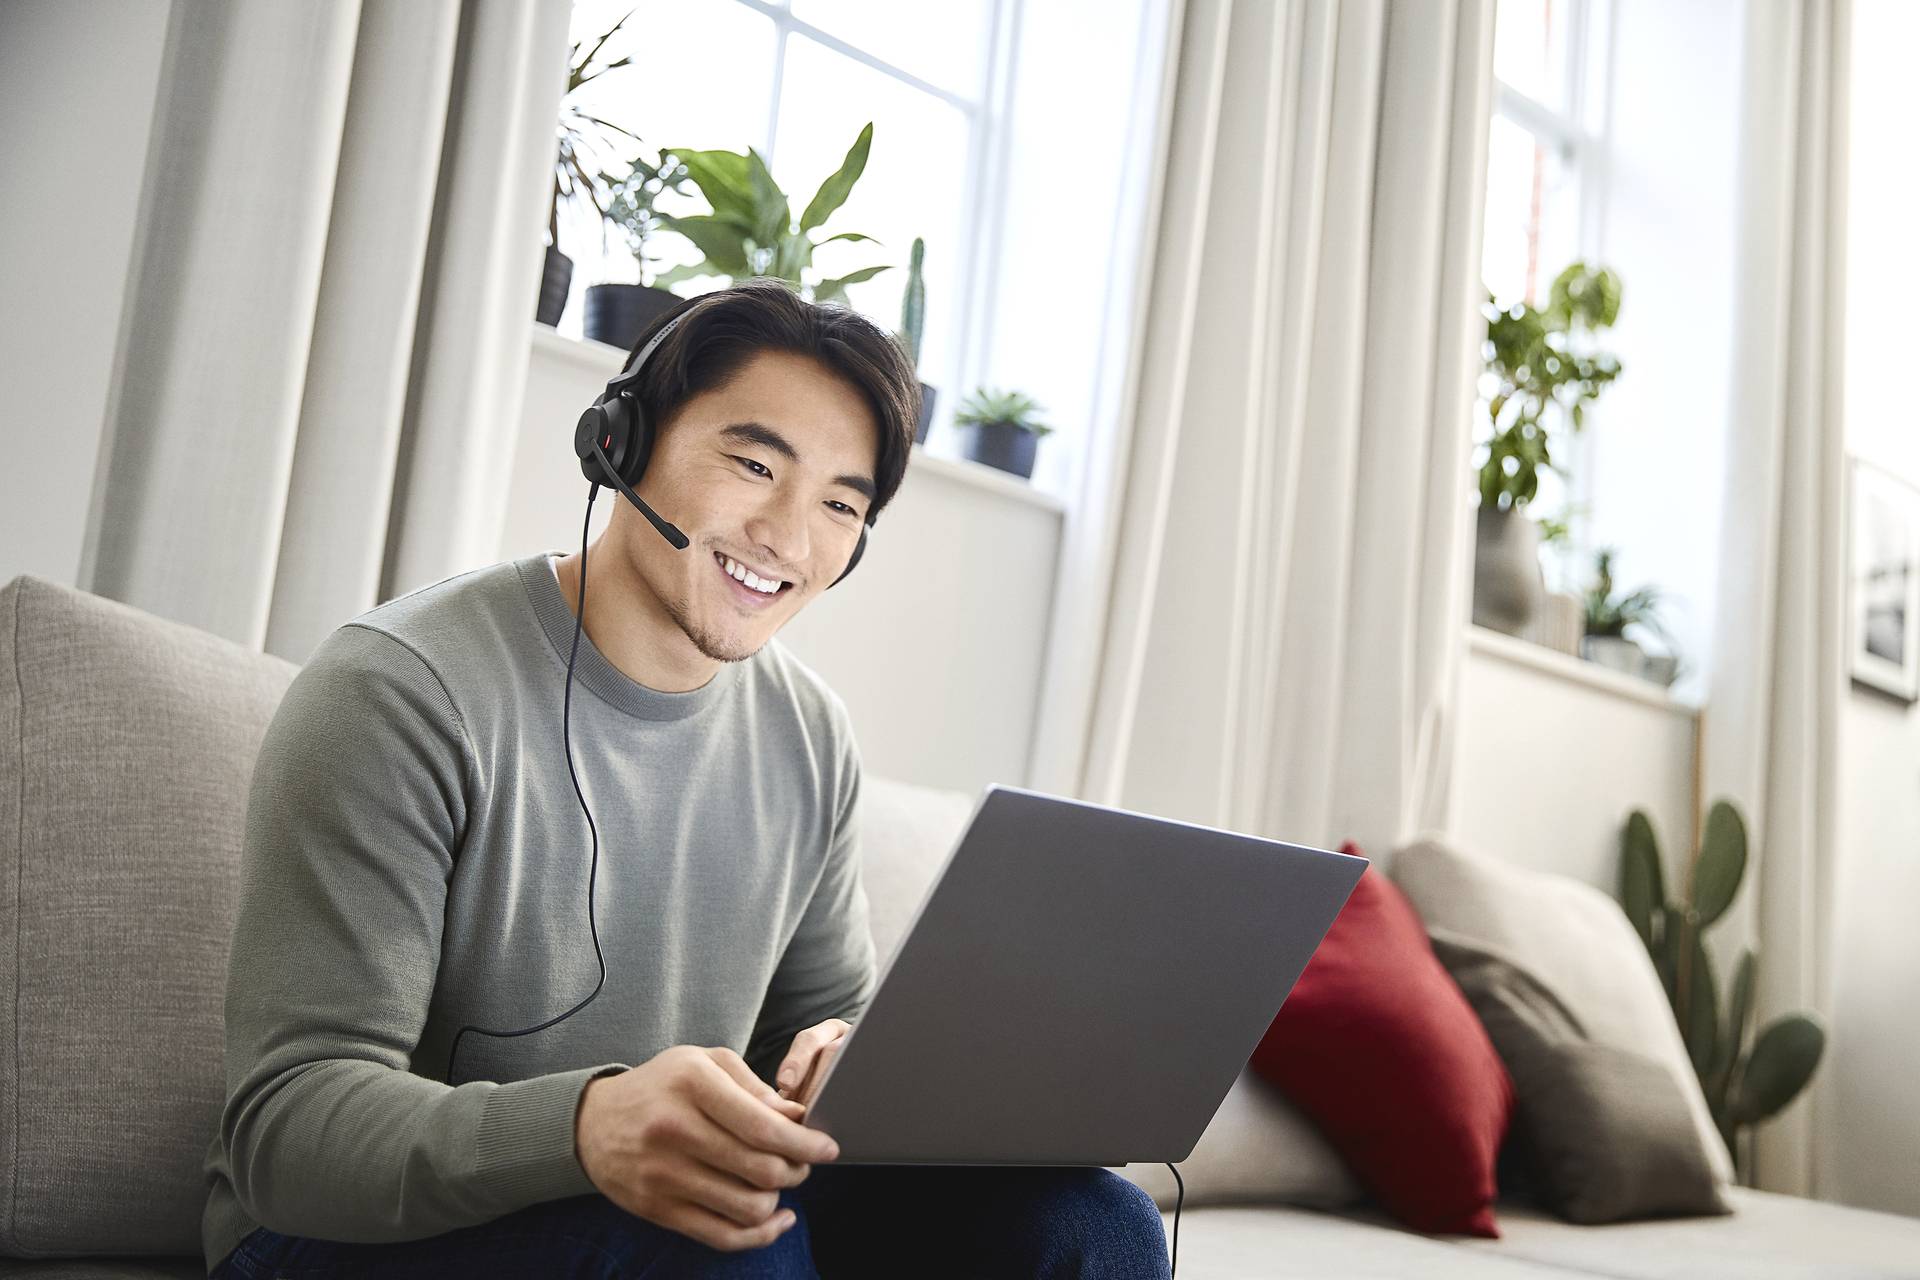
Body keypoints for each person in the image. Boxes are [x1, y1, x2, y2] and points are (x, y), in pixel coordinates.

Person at [202, 279, 1171, 1278]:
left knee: (1097, 1225)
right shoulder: (401, 690)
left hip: (656, 1219)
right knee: (725, 1256)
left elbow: (816, 1027)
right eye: (755, 463)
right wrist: (585, 1124)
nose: (789, 537)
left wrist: (848, 1060)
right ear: (622, 441)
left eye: (840, 504)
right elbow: (290, 1126)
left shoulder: (810, 734)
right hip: (332, 1238)